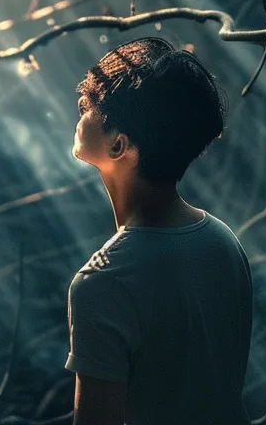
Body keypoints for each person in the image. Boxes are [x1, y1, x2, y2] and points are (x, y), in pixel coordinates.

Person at [65, 37, 253, 425]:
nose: (80, 112)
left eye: (91, 108)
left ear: (119, 145)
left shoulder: (103, 283)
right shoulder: (222, 242)